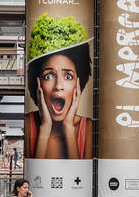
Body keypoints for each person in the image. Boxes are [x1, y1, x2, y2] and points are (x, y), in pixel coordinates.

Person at [24, 16, 93, 159]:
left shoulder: (87, 127)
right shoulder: (29, 123)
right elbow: (36, 176)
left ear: (78, 84)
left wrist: (69, 127)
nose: (58, 86)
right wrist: (45, 126)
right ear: (38, 83)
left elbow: (79, 177)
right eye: (48, 76)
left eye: (68, 76)